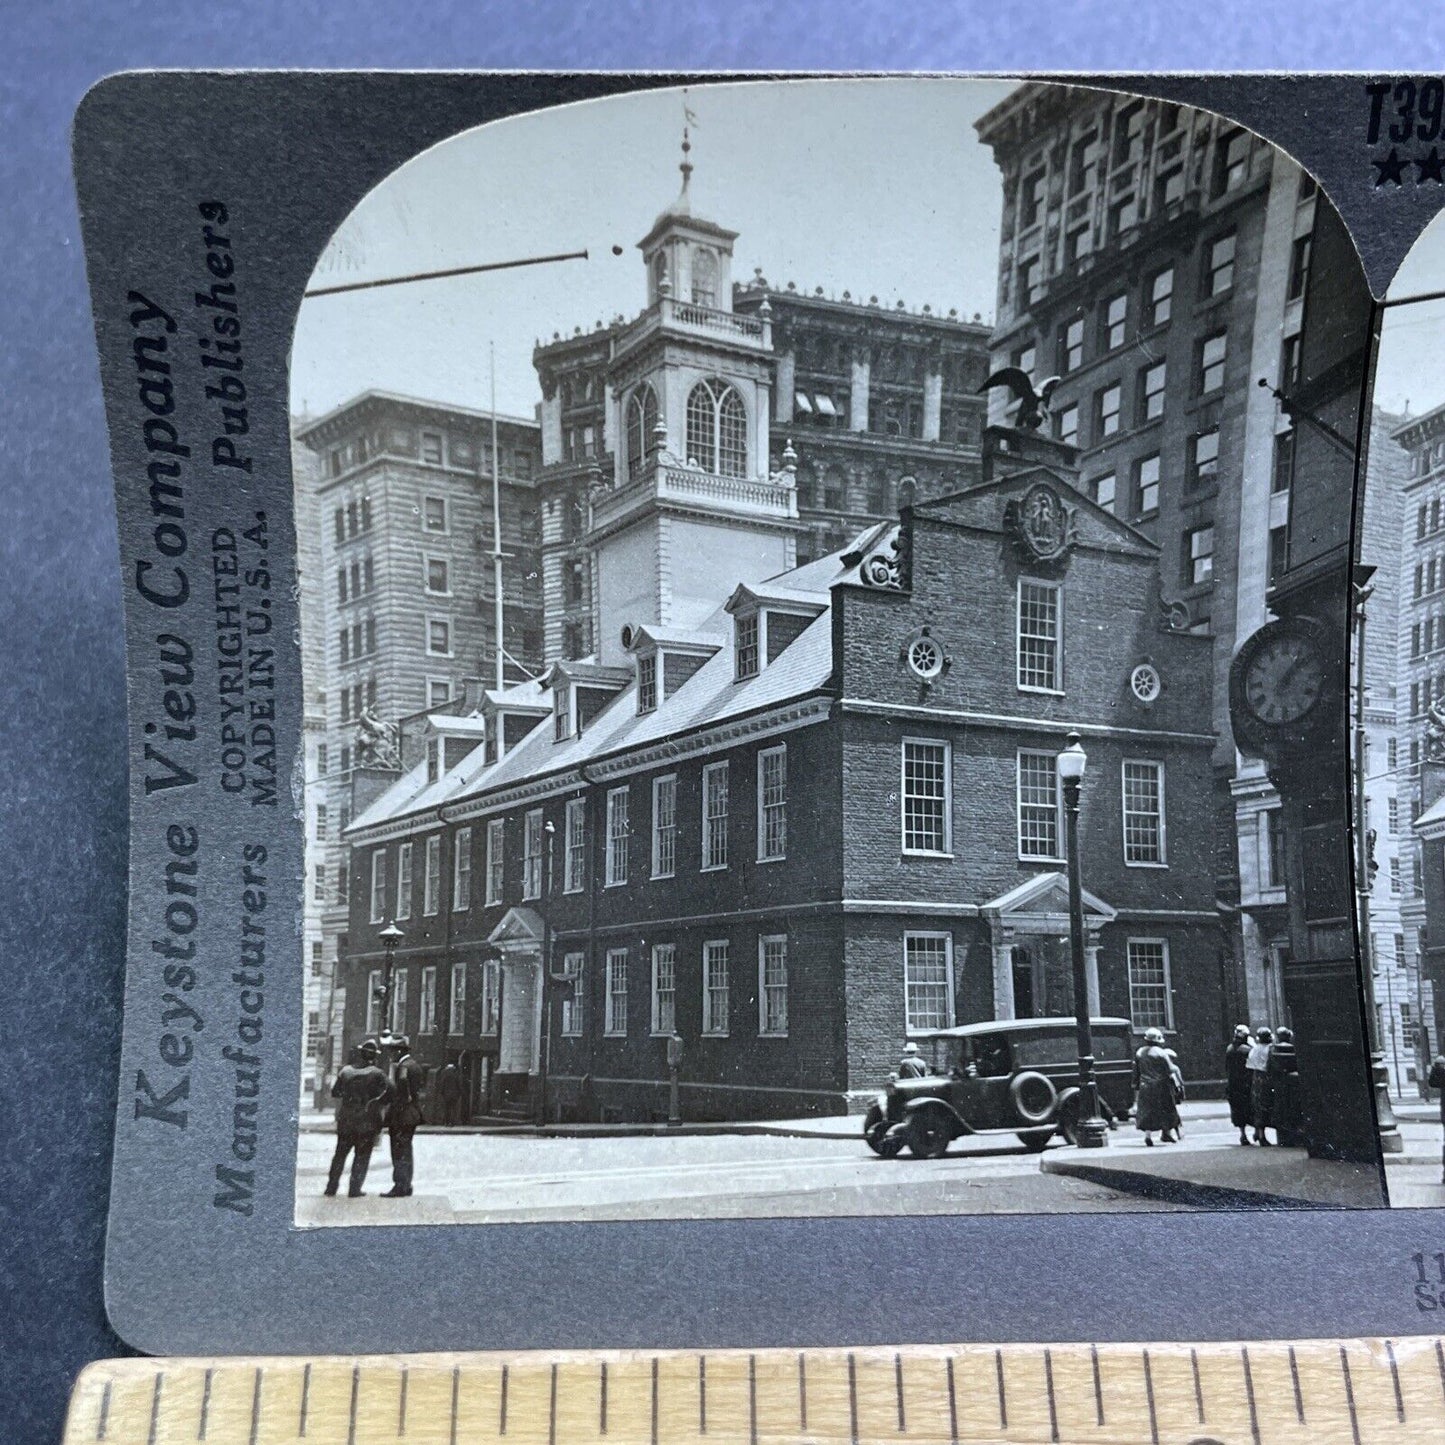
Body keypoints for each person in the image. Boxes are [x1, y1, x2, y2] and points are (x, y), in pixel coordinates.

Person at [325, 1040, 390, 1198]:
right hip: (367, 1122)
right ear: (374, 1057)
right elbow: (389, 1094)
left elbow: (335, 1093)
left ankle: (331, 1187)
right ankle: (354, 1189)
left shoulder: (345, 1071)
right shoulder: (378, 1074)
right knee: (362, 1156)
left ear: (360, 1054)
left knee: (340, 1154)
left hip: (346, 1119)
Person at [383, 1037, 426, 1198]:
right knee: (406, 1151)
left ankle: (399, 1186)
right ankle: (406, 1185)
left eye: (392, 1051)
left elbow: (401, 1091)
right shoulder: (414, 1065)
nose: (390, 1055)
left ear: (399, 1051)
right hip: (412, 1114)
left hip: (401, 1115)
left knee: (398, 1151)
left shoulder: (402, 1068)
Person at [1131, 1027, 1183, 1146]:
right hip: (1161, 1086)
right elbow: (1170, 1069)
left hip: (1145, 1086)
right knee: (1167, 1109)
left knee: (1147, 1111)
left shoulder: (1140, 1052)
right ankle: (1167, 1133)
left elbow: (1136, 1071)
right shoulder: (1161, 1053)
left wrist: (1135, 1084)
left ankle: (1148, 1136)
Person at [1267, 1026, 1302, 1146]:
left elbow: (1269, 1068)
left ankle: (1282, 1139)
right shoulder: (1294, 1049)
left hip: (1279, 1084)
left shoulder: (1273, 1049)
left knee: (1281, 1109)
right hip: (1293, 1084)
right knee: (1293, 1109)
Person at [1224, 1024, 1255, 1146]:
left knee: (1237, 1110)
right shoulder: (1247, 1050)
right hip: (1246, 1084)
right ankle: (1258, 1132)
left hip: (1233, 1084)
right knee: (1251, 1108)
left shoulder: (1229, 1049)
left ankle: (1243, 1134)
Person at [1246, 1025, 1274, 1146]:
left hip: (1256, 1078)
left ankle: (1258, 1131)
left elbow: (1249, 1064)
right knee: (1265, 1105)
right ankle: (1262, 1136)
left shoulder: (1254, 1049)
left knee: (1257, 1105)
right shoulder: (1270, 1049)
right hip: (1266, 1078)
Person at [437, 1060, 463, 1126]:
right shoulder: (456, 1073)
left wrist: (441, 1092)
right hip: (454, 1094)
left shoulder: (444, 1073)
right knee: (453, 1109)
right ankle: (452, 1122)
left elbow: (442, 1084)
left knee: (446, 1108)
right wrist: (460, 1092)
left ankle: (446, 1122)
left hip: (446, 1094)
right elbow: (459, 1084)